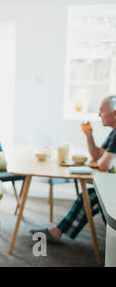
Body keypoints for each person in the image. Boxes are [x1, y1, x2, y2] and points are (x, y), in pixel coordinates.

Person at [30, 96, 116, 242]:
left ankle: (58, 232)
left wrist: (102, 160)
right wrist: (89, 135)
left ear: (114, 114)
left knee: (90, 196)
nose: (99, 115)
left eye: (102, 112)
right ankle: (58, 231)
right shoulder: (114, 133)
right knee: (89, 196)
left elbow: (104, 166)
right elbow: (96, 155)